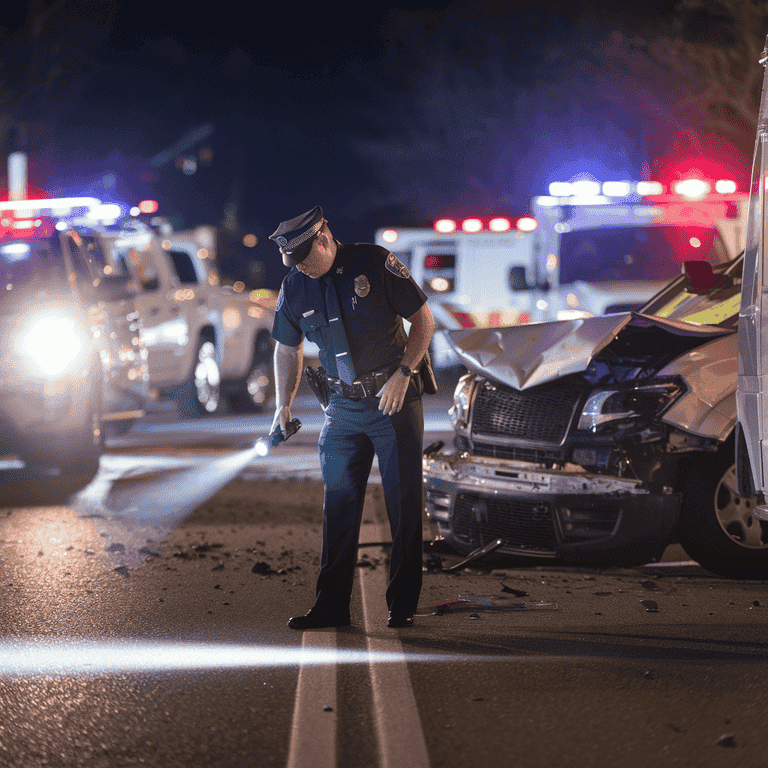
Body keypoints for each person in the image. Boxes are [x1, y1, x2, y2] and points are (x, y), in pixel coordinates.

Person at [268, 206, 435, 629]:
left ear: (324, 240)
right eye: (296, 263)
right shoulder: (294, 287)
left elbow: (422, 320)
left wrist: (405, 372)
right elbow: (287, 348)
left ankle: (402, 606)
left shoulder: (374, 263)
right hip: (342, 410)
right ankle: (331, 607)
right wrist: (281, 405)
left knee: (403, 507)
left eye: (307, 258)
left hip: (391, 400)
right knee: (339, 507)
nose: (303, 268)